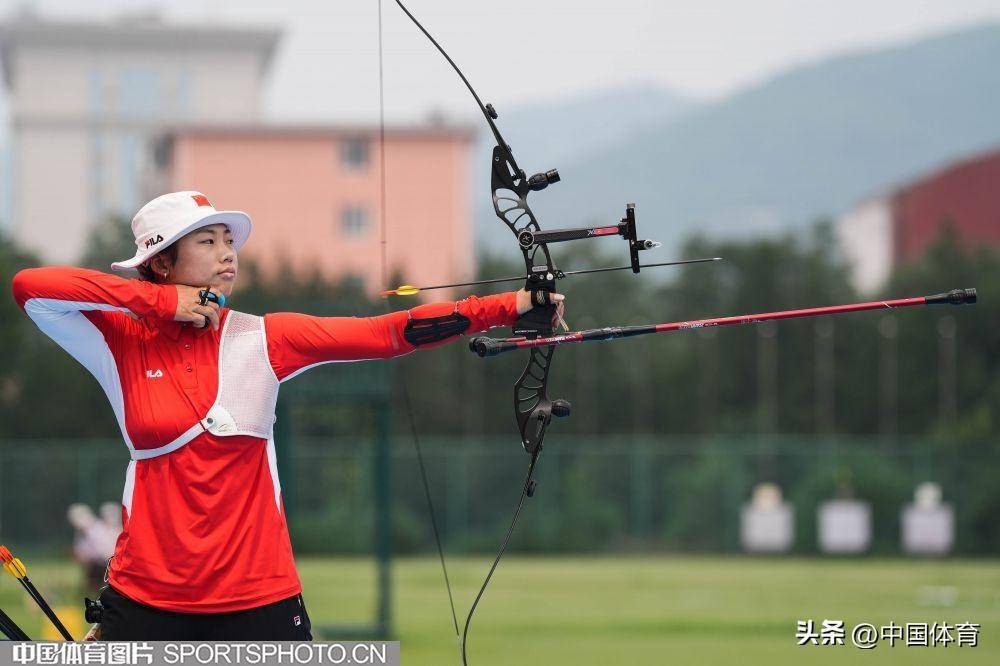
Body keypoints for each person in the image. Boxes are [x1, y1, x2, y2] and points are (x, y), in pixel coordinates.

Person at [12, 191, 564, 640]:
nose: (229, 253)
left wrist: (510, 306)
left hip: (260, 599)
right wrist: (160, 304)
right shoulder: (118, 340)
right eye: (208, 241)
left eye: (230, 241)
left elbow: (387, 333)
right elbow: (31, 288)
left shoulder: (265, 337)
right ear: (161, 261)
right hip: (145, 598)